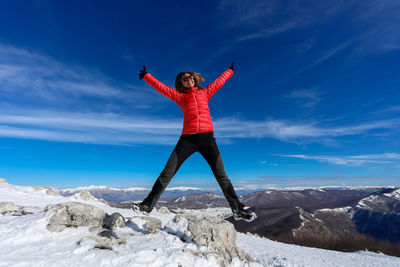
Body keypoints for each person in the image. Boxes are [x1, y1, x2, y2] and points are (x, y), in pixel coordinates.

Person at [132, 62, 256, 222]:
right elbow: (162, 88)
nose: (188, 78)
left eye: (190, 76)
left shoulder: (205, 92)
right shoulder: (180, 97)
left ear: (194, 79)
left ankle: (237, 209)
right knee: (167, 173)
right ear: (180, 83)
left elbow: (219, 82)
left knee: (222, 176)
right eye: (184, 78)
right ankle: (147, 204)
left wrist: (229, 71)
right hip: (188, 139)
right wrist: (147, 76)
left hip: (207, 139)